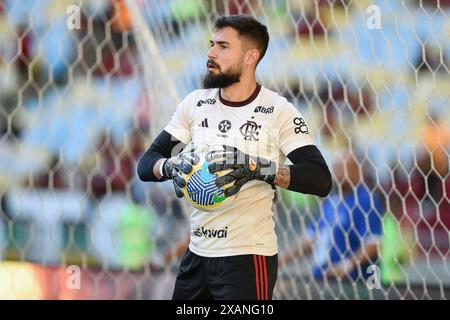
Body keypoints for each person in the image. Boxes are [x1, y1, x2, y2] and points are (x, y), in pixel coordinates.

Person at [137, 15, 332, 300]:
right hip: (197, 255)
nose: (211, 53)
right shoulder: (195, 103)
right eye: (211, 44)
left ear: (251, 56)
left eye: (223, 46)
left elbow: (320, 178)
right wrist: (169, 165)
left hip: (247, 259)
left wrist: (255, 167)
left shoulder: (277, 110)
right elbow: (147, 163)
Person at [279, 150, 383, 281]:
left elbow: (373, 243)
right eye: (335, 167)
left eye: (342, 167)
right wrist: (281, 260)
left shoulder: (365, 199)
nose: (337, 171)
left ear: (357, 171)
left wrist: (348, 264)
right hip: (325, 277)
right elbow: (311, 237)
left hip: (353, 281)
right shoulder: (331, 200)